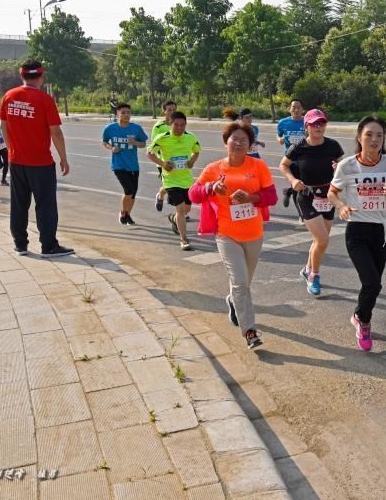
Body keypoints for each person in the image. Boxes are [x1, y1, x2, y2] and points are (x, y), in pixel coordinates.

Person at [189, 122, 277, 349]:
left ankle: (232, 302)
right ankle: (249, 331)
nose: (238, 143)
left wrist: (251, 198)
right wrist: (209, 188)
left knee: (244, 283)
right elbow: (193, 195)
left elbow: (271, 196)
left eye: (244, 140)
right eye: (234, 139)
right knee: (239, 283)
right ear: (226, 141)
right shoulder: (213, 169)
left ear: (250, 145)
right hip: (227, 235)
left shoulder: (258, 166)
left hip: (254, 234)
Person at [328, 115, 386, 351]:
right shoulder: (347, 165)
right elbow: (332, 192)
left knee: (374, 283)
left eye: (379, 135)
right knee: (371, 281)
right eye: (369, 134)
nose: (374, 139)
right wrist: (341, 206)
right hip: (357, 230)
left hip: (381, 231)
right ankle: (364, 321)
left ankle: (360, 315)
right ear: (359, 137)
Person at [0, 58, 73, 258]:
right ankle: (48, 246)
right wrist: (64, 158)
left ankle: (20, 244)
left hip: (16, 161)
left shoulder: (9, 96)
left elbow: (3, 125)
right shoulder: (45, 100)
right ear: (41, 76)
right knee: (45, 205)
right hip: (40, 163)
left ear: (21, 75)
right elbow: (55, 132)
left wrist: (10, 148)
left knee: (19, 203)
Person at [279, 109, 344, 296]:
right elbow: (283, 165)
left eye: (322, 123)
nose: (319, 127)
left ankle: (307, 268)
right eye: (314, 124)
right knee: (323, 240)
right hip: (307, 196)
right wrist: (292, 180)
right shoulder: (298, 147)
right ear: (306, 126)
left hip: (328, 196)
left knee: (319, 240)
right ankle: (314, 276)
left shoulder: (333, 145)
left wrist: (339, 168)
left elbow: (345, 166)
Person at [147, 111, 201, 250]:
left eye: (182, 125)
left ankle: (174, 218)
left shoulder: (190, 137)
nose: (179, 128)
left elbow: (196, 151)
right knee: (181, 208)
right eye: (176, 125)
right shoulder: (162, 137)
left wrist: (192, 161)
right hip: (170, 179)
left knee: (186, 209)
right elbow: (149, 153)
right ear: (170, 124)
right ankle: (184, 240)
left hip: (186, 179)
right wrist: (163, 163)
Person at [101, 103, 148, 225]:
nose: (126, 115)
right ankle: (123, 212)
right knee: (129, 190)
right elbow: (104, 141)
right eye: (123, 112)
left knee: (133, 194)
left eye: (128, 112)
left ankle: (128, 214)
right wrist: (111, 148)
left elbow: (143, 144)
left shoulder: (136, 128)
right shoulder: (110, 128)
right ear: (117, 114)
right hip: (118, 165)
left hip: (133, 166)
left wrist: (135, 142)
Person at [276, 99, 306, 208]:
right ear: (289, 109)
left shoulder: (307, 122)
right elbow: (279, 135)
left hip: (305, 157)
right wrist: (280, 139)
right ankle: (301, 213)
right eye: (294, 107)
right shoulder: (283, 122)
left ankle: (288, 191)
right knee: (297, 183)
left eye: (299, 107)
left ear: (303, 110)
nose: (296, 109)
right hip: (291, 158)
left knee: (304, 183)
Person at [152, 100, 177, 212]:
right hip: (163, 161)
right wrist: (162, 161)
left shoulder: (177, 124)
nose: (172, 112)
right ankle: (160, 196)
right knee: (169, 185)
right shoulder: (158, 127)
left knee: (178, 183)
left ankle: (181, 211)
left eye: (174, 110)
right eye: (169, 110)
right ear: (164, 111)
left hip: (178, 159)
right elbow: (154, 146)